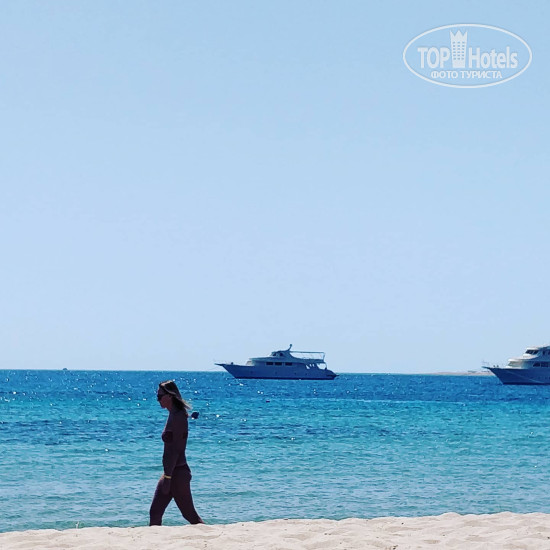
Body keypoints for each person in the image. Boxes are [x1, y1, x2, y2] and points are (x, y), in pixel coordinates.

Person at [149, 380, 204, 525]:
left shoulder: (178, 417)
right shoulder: (173, 414)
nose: (158, 400)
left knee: (190, 515)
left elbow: (176, 450)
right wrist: (167, 475)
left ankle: (214, 537)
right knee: (155, 513)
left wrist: (168, 477)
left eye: (160, 396)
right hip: (171, 472)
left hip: (177, 473)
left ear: (170, 396)